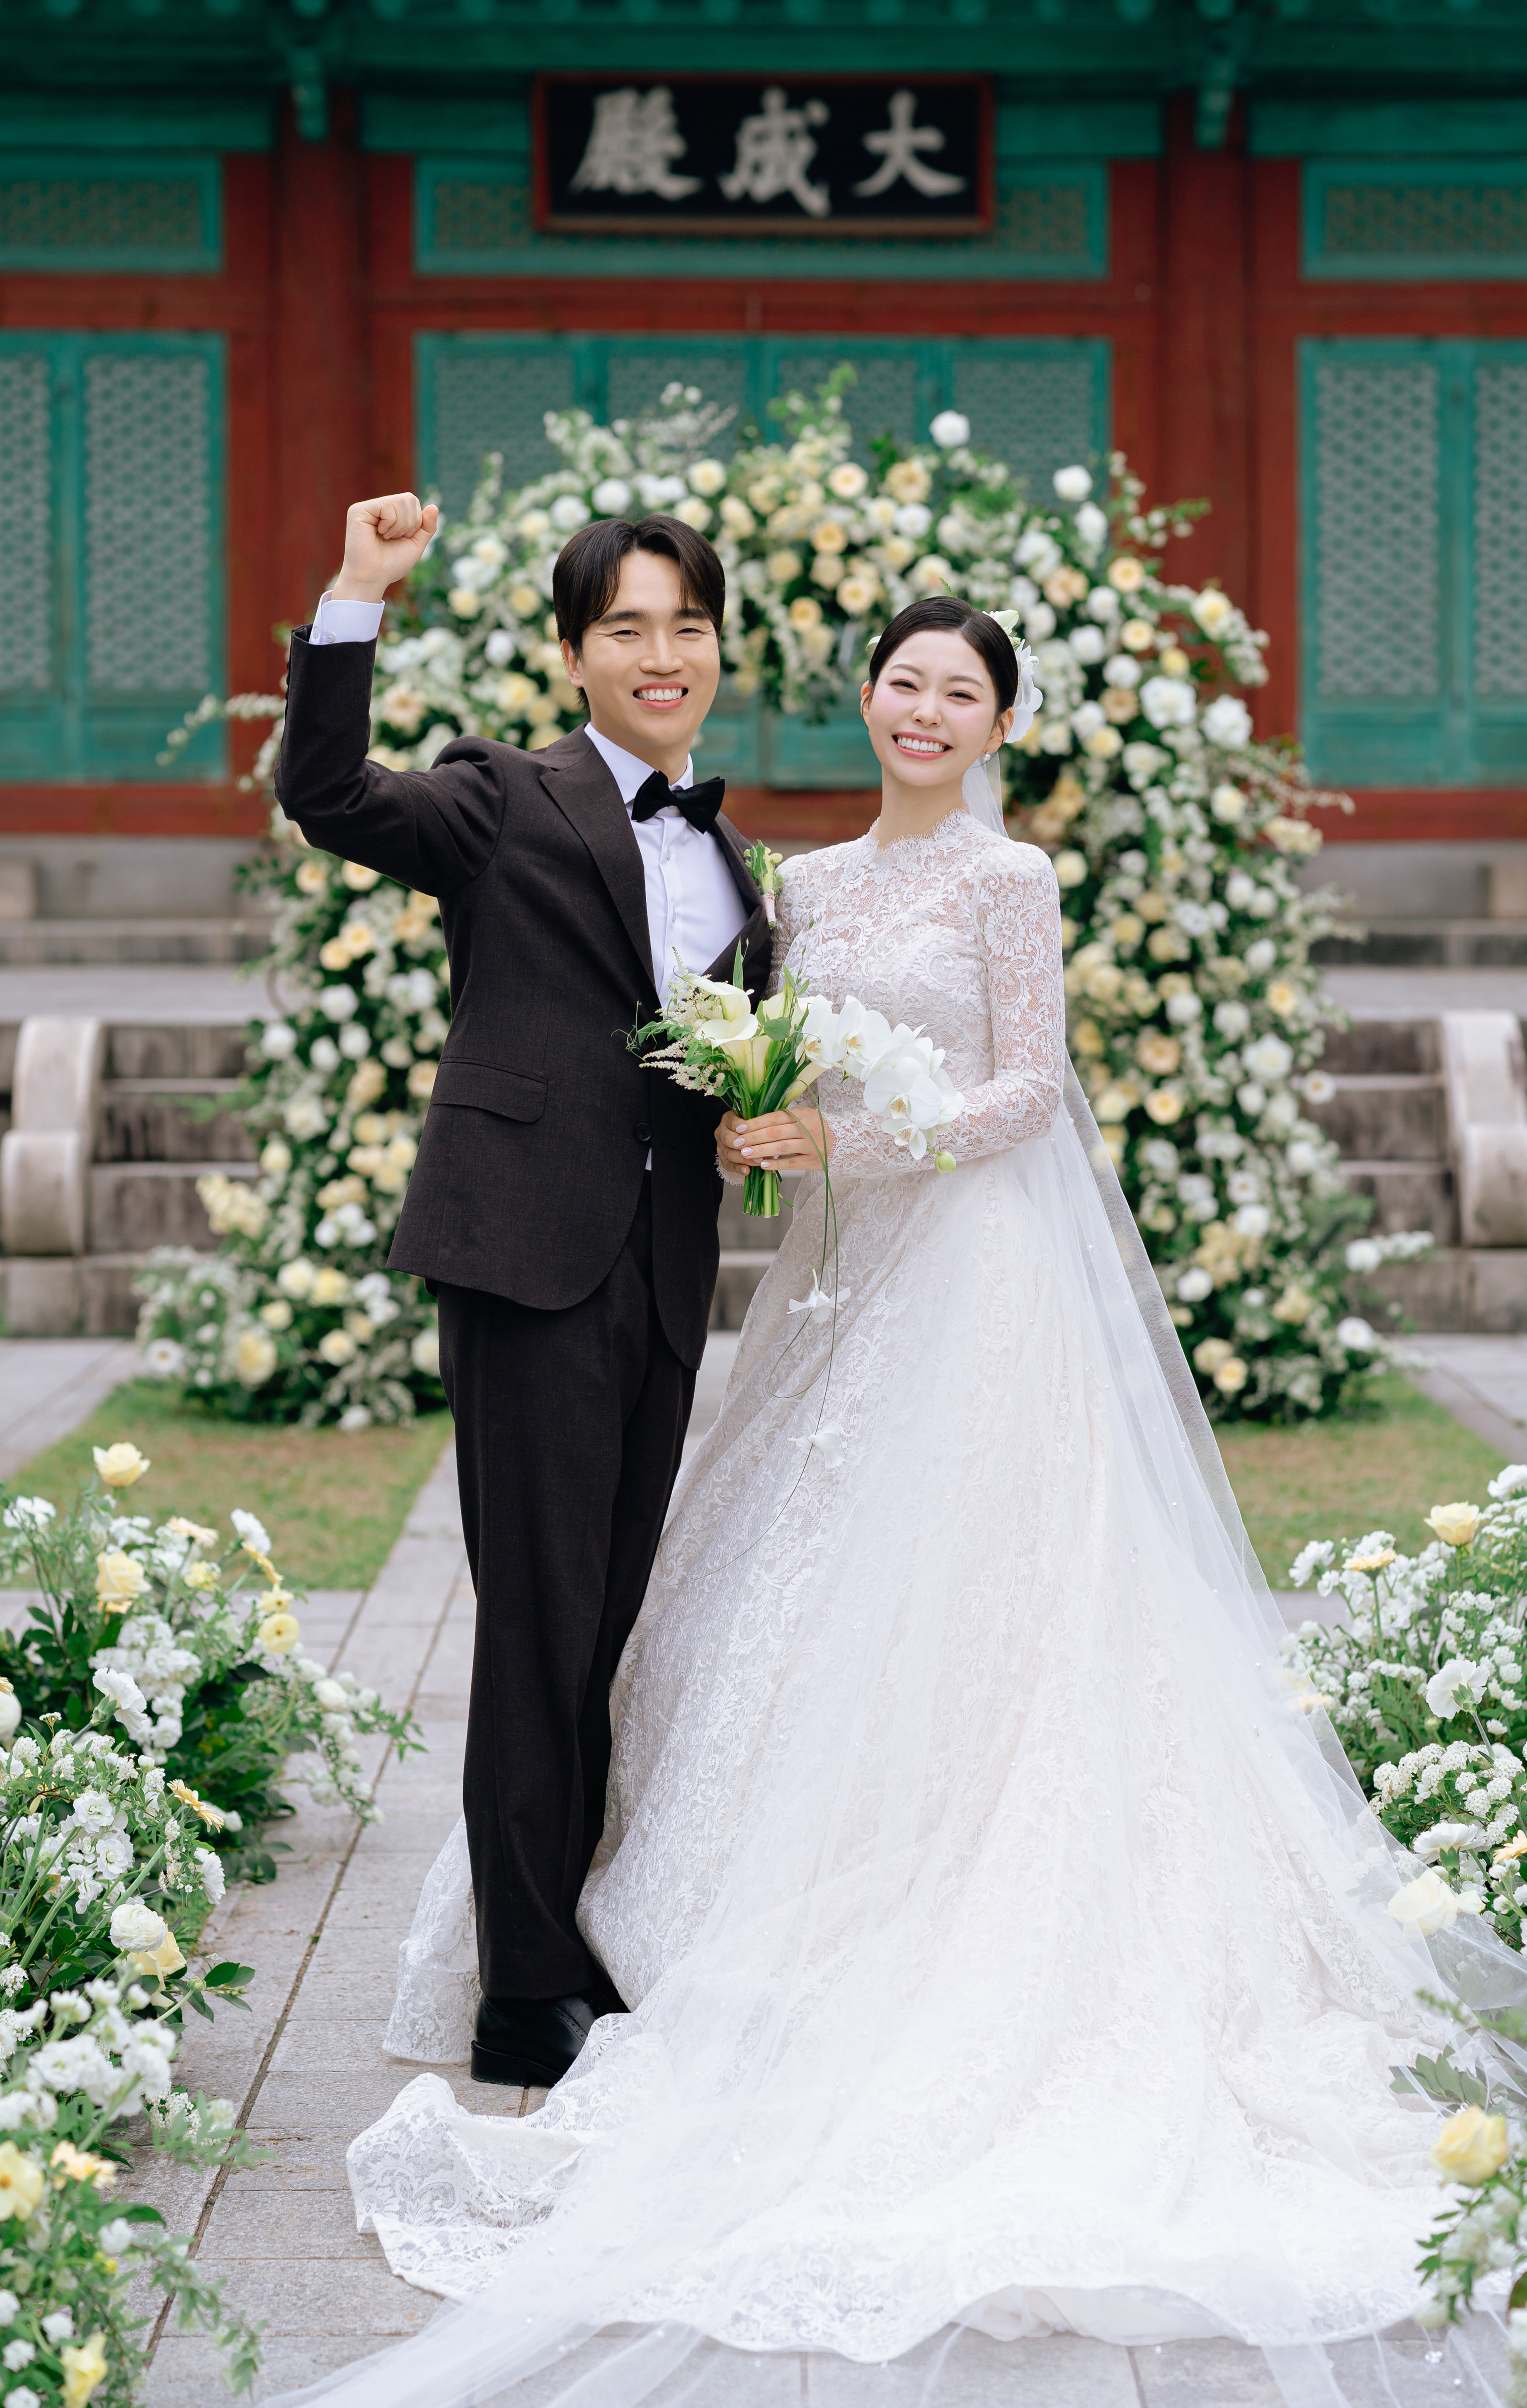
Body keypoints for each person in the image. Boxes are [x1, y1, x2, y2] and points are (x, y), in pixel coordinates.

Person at [277, 597, 1518, 2408]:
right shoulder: (796, 888)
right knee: (762, 1598)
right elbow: (731, 1049)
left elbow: (1029, 1088)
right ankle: (665, 1935)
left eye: (961, 691)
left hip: (979, 1288)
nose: (925, 711)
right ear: (864, 698)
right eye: (903, 682)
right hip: (836, 1292)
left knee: (990, 1602)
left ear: (999, 722)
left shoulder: (1011, 880)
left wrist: (854, 1142)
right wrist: (761, 1128)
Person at [274, 495, 771, 2091]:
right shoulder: (504, 795)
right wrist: (358, 593)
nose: (662, 654)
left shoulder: (733, 859)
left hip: (665, 1265)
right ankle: (525, 1989)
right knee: (537, 1621)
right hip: (525, 1257)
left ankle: (569, 1935)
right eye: (626, 628)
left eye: (687, 626)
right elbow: (328, 793)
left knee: (605, 1618)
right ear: (574, 656)